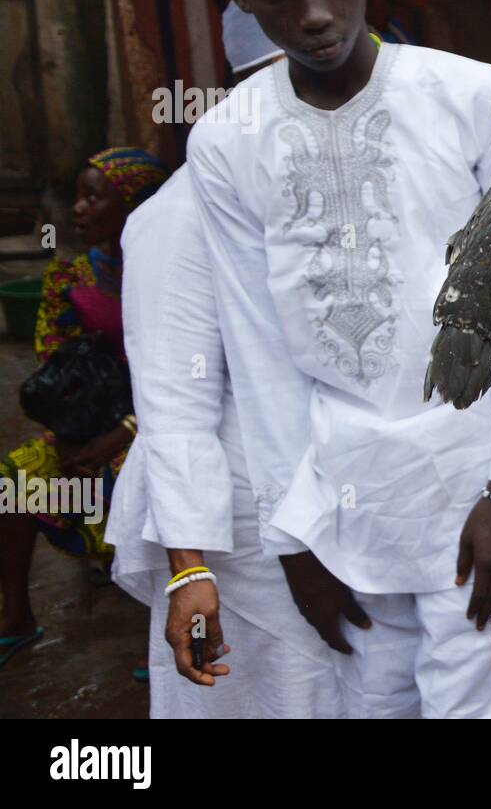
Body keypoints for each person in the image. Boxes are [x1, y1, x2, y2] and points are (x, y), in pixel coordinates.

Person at [187, 0, 491, 718]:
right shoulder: (226, 142)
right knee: (371, 707)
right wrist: (293, 540)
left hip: (476, 488)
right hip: (343, 506)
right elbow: (260, 356)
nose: (314, 14)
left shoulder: (475, 99)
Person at [105, 163, 345, 717]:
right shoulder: (177, 214)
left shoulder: (314, 185)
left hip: (327, 501)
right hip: (237, 525)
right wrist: (189, 566)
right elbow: (173, 403)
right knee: (261, 685)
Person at [0, 148, 169, 669]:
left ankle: (163, 633)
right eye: (78, 195)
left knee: (138, 484)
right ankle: (17, 618)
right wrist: (66, 434)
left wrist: (120, 435)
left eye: (93, 197)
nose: (77, 209)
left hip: (160, 422)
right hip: (92, 424)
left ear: (134, 207)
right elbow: (56, 369)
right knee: (16, 479)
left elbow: (185, 373)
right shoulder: (69, 278)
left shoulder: (172, 275)